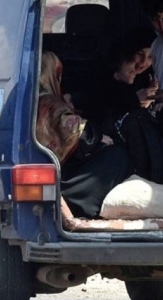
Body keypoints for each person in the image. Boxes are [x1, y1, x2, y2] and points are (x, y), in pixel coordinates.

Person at [36, 51, 131, 218]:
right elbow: (74, 130)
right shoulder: (50, 102)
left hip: (50, 168)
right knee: (117, 156)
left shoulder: (34, 100)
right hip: (62, 177)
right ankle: (82, 204)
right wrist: (98, 137)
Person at [97, 43, 163, 184]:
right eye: (139, 54)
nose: (143, 63)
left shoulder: (146, 78)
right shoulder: (113, 90)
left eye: (150, 57)